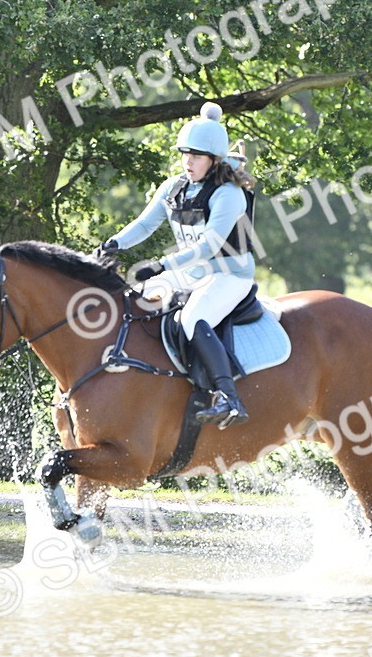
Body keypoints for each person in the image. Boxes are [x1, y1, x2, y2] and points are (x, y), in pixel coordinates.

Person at [96, 102, 255, 427]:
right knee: (136, 304)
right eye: (185, 154)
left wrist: (161, 265)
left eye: (195, 156)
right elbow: (144, 225)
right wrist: (116, 243)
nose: (188, 162)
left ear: (213, 160)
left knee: (194, 316)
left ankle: (229, 398)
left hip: (229, 274)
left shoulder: (228, 195)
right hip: (190, 274)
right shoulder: (174, 187)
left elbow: (209, 246)